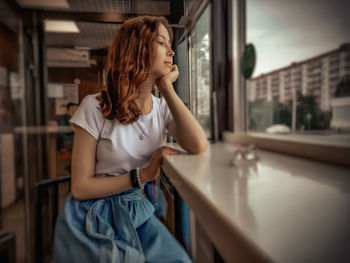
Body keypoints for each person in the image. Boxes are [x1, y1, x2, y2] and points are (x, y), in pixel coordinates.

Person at [53, 15, 208, 263]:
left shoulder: (161, 108)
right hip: (92, 215)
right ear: (137, 48)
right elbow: (80, 188)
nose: (171, 52)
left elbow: (198, 144)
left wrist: (167, 87)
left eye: (170, 45)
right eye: (161, 42)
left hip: (137, 209)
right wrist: (142, 175)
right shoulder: (94, 107)